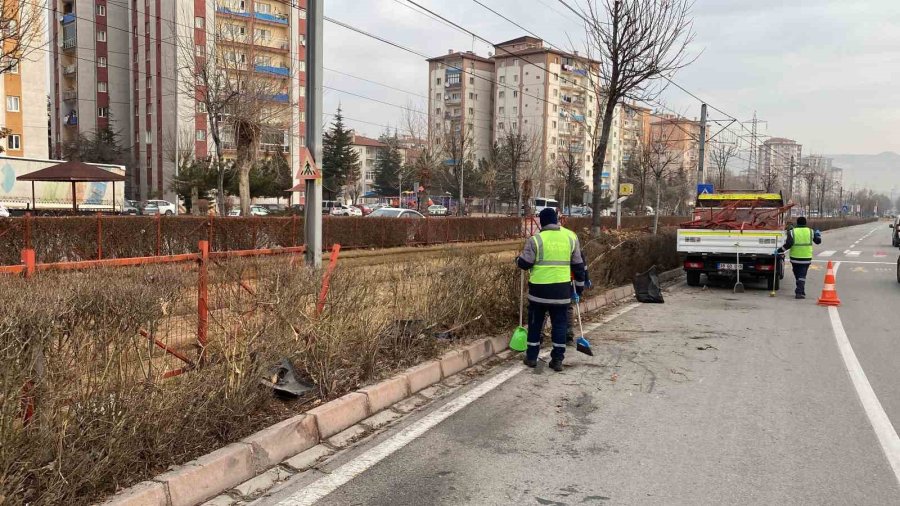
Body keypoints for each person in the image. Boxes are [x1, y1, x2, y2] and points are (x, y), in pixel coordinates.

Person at [516, 208, 586, 371]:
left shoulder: (536, 240)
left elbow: (524, 264)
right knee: (560, 325)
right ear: (557, 220)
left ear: (542, 222)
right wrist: (579, 289)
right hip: (561, 292)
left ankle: (532, 357)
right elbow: (578, 266)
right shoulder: (570, 237)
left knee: (535, 325)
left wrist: (517, 260)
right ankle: (557, 360)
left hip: (538, 293)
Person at [777, 216, 822, 299]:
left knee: (798, 274)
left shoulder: (792, 232)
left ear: (797, 223)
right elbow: (818, 241)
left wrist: (780, 250)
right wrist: (818, 235)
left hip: (795, 258)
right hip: (806, 258)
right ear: (805, 223)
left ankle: (800, 292)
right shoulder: (811, 231)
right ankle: (800, 291)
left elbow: (788, 244)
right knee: (802, 275)